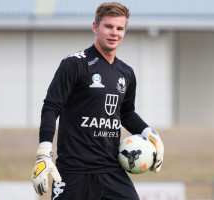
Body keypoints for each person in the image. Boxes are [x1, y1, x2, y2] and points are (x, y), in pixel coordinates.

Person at [31, 2, 164, 200]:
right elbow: (51, 106)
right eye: (108, 26)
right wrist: (44, 151)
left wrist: (150, 133)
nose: (114, 33)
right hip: (74, 172)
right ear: (95, 27)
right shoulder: (75, 64)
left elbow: (126, 113)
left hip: (111, 170)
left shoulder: (126, 73)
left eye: (120, 28)